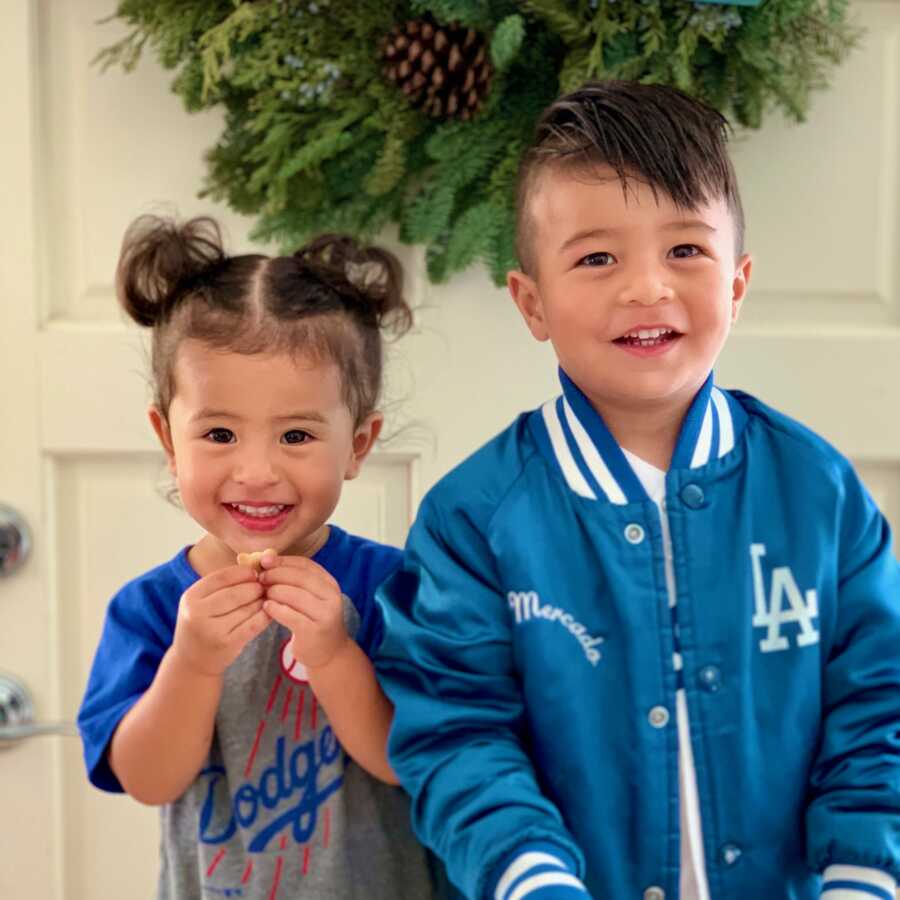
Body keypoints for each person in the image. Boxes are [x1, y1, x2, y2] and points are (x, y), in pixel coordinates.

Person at [375, 80, 900, 900]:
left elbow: (878, 706)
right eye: (596, 258)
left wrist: (864, 878)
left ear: (737, 282)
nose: (647, 287)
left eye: (685, 250)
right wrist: (532, 878)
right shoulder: (471, 521)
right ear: (532, 302)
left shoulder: (820, 493)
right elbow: (457, 732)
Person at [78, 216, 445, 899]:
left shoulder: (391, 586)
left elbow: (410, 759)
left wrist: (336, 654)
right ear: (168, 438)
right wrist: (191, 662)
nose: (255, 472)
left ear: (358, 445)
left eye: (297, 435)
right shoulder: (152, 610)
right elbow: (147, 779)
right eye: (219, 433)